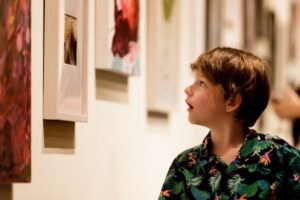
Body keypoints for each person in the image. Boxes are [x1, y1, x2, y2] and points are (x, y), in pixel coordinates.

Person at [159, 47, 300, 199]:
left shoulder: (281, 157)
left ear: (232, 101)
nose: (188, 89)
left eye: (201, 83)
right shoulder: (184, 165)